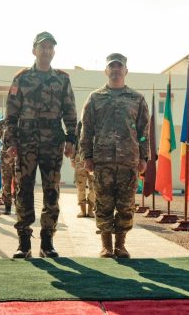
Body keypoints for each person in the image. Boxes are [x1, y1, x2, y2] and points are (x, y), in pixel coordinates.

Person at [5, 31, 77, 258]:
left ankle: (47, 242)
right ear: (33, 50)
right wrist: (11, 142)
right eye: (42, 47)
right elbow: (11, 114)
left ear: (53, 52)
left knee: (51, 191)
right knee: (23, 190)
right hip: (25, 142)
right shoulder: (21, 78)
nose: (46, 50)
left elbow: (70, 111)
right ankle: (24, 243)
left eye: (50, 47)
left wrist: (71, 139)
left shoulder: (62, 79)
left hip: (52, 142)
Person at [80, 53, 150, 258]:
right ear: (106, 71)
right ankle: (106, 246)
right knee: (103, 204)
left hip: (129, 162)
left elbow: (144, 132)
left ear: (126, 71)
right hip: (102, 162)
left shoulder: (137, 99)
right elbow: (86, 130)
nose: (116, 70)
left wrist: (144, 157)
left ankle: (120, 245)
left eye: (119, 66)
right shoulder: (95, 98)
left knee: (126, 206)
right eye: (112, 66)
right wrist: (86, 156)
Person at [0, 118, 15, 214]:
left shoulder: (22, 121)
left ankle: (19, 206)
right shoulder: (2, 122)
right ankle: (7, 206)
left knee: (20, 182)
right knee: (6, 182)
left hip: (20, 157)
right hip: (6, 158)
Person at [72, 121, 95, 218]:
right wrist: (73, 158)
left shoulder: (97, 121)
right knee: (80, 186)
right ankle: (83, 211)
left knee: (94, 186)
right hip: (80, 158)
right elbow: (76, 141)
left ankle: (90, 211)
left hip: (94, 158)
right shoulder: (81, 123)